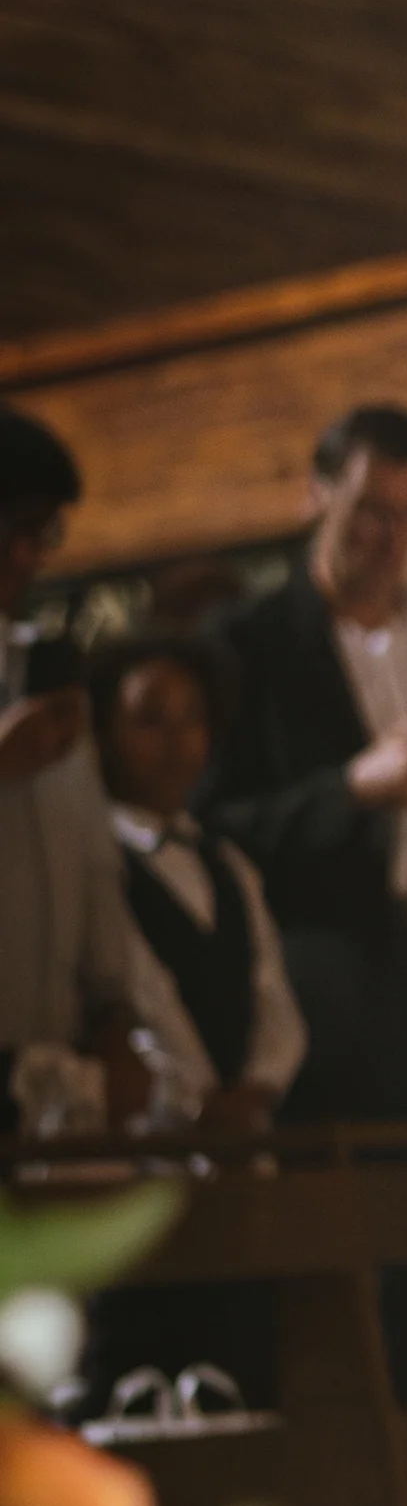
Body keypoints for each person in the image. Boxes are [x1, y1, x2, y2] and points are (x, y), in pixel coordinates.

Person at [205, 402, 407, 1399]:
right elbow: (216, 830)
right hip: (327, 996)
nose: (392, 541)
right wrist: (354, 791)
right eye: (370, 513)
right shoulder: (244, 646)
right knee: (328, 1286)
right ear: (316, 497)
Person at [94, 636, 306, 1137]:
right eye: (150, 720)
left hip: (247, 1134)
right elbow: (146, 997)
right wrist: (199, 1102)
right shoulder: (100, 865)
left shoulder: (227, 862)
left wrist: (260, 1087)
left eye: (193, 719)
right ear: (103, 735)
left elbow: (272, 992)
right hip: (155, 1140)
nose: (177, 741)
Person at [0, 402, 142, 1139]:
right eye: (14, 526)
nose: (29, 556)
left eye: (44, 532)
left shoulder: (45, 677)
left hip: (51, 1082)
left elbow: (94, 871)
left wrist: (116, 1018)